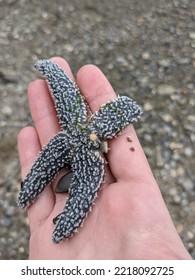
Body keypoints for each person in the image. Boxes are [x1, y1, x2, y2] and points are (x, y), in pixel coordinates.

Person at [18, 57, 192, 260]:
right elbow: (128, 107)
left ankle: (35, 203)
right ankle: (32, 199)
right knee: (44, 178)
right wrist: (51, 70)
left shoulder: (86, 149)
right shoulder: (88, 149)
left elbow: (127, 108)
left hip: (77, 142)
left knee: (58, 185)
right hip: (77, 143)